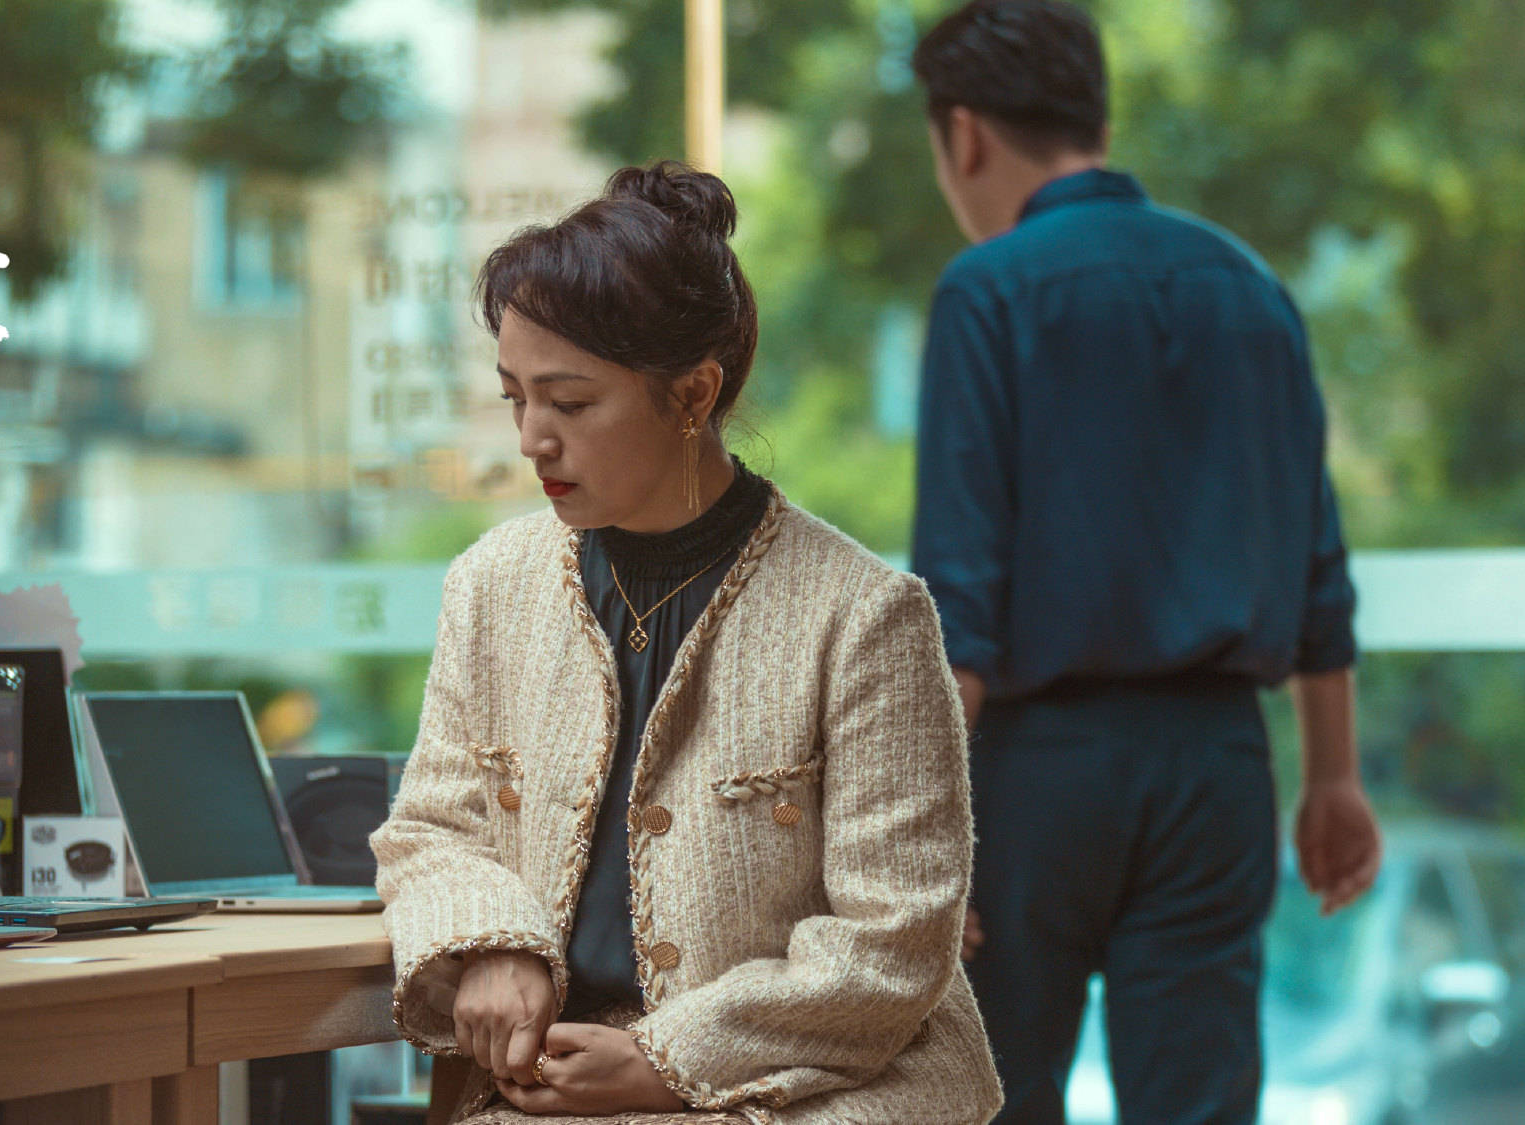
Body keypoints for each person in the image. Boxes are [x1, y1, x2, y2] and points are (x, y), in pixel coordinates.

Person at [370, 162, 1002, 1125]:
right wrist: (490, 940)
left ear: (692, 393)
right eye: (515, 398)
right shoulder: (491, 586)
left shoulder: (866, 616)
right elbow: (430, 831)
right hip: (545, 1094)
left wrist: (668, 1061)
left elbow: (892, 942)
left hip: (808, 1095)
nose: (533, 437)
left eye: (570, 403)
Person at [907, 4, 1383, 1124]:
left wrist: (924, 835)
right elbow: (1318, 569)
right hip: (1218, 767)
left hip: (1036, 776)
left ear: (962, 136)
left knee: (994, 1096)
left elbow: (960, 603)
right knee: (1198, 1102)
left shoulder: (988, 291)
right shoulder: (1249, 289)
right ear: (1094, 115)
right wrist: (1331, 778)